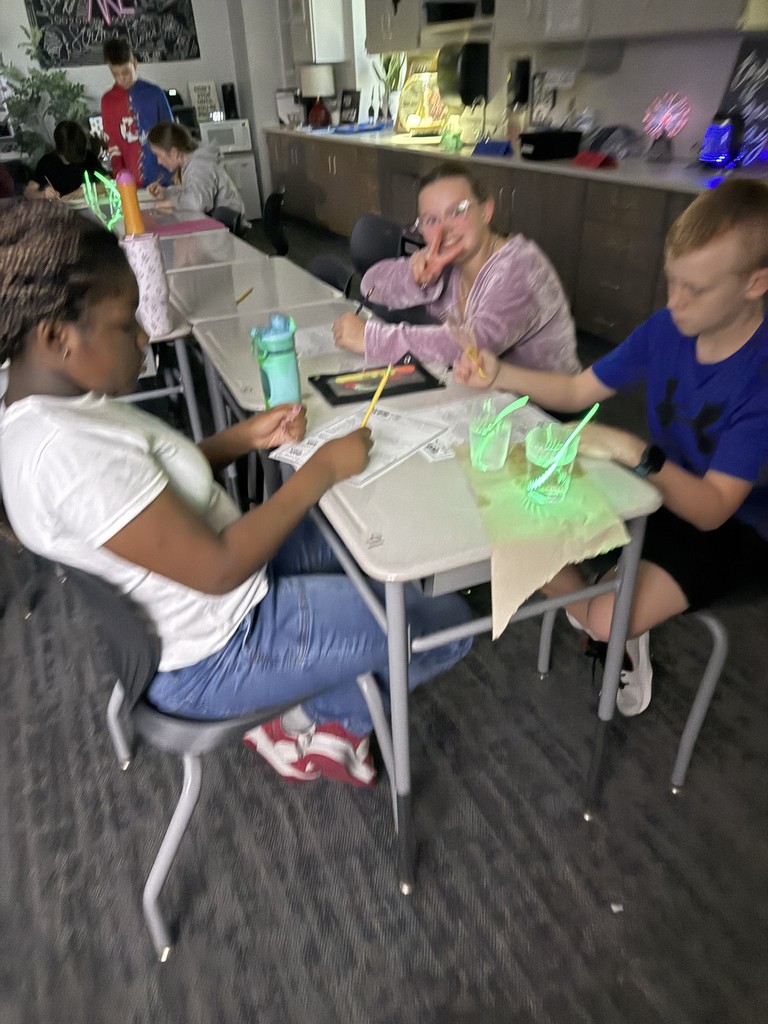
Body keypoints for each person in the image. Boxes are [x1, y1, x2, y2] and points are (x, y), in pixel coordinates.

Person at [0, 202, 471, 787]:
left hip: (212, 601)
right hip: (219, 646)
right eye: (127, 323)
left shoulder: (47, 410)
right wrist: (319, 470)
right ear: (55, 336)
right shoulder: (65, 456)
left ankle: (321, 676)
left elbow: (146, 498)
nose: (145, 334)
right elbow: (219, 567)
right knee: (447, 624)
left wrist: (242, 437)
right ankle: (324, 723)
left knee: (370, 549)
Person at [455, 177, 768, 717]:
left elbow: (714, 509)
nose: (675, 302)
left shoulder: (760, 377)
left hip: (736, 526)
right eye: (672, 281)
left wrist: (630, 449)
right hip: (656, 489)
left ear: (755, 283)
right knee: (500, 514)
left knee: (600, 616)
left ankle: (615, 624)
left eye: (695, 289)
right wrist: (499, 373)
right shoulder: (668, 327)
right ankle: (612, 596)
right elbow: (579, 388)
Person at [332, 163, 580, 374]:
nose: (444, 229)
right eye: (431, 220)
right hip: (480, 389)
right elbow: (370, 285)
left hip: (545, 414)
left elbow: (474, 344)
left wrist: (371, 340)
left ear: (486, 211)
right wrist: (415, 276)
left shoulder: (521, 267)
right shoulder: (449, 261)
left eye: (457, 211)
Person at [101, 37, 173, 188]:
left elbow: (171, 136)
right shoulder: (107, 102)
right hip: (130, 183)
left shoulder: (155, 93)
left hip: (164, 179)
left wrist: (177, 172)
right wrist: (120, 175)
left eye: (125, 72)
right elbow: (113, 145)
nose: (121, 79)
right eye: (115, 74)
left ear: (134, 63)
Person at [146, 121, 246, 222]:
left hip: (227, 229)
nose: (159, 161)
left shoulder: (199, 165)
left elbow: (198, 203)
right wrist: (165, 192)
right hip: (217, 221)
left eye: (158, 155)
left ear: (173, 152)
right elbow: (191, 191)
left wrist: (172, 202)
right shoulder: (191, 161)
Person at [24, 121, 104, 201]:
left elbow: (108, 183)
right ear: (61, 150)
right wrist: (44, 194)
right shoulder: (47, 163)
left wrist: (86, 190)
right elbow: (29, 193)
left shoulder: (89, 157)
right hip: (62, 209)